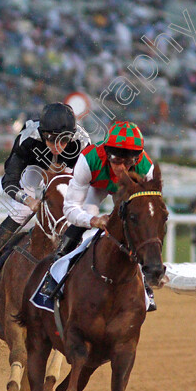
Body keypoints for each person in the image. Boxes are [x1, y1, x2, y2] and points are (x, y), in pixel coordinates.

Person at [38, 121, 158, 311]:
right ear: (105, 152)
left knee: (138, 227)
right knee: (87, 216)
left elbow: (148, 214)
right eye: (116, 160)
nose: (122, 169)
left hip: (127, 192)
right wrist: (93, 220)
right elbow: (70, 209)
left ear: (137, 158)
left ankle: (147, 285)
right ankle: (54, 273)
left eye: (129, 162)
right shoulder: (89, 159)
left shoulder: (146, 169)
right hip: (97, 186)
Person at [0, 102, 91, 287]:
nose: (57, 146)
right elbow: (9, 181)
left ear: (72, 136)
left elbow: (87, 183)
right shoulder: (28, 138)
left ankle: (80, 263)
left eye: (63, 141)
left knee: (71, 213)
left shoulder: (82, 143)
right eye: (51, 139)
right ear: (42, 134)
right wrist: (28, 200)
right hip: (35, 167)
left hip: (67, 171)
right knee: (20, 212)